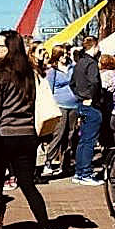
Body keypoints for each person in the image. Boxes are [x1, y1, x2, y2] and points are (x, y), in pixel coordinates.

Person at [0, 30, 57, 229]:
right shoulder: (30, 74)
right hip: (27, 136)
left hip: (4, 136)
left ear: (9, 49)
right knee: (27, 184)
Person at [70, 36, 104, 186]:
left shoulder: (79, 63)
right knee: (89, 140)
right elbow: (95, 82)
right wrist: (90, 96)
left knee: (83, 140)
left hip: (81, 104)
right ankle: (85, 173)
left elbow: (72, 83)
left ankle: (79, 172)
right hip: (91, 105)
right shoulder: (91, 63)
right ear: (94, 46)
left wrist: (79, 96)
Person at [43, 45, 78, 177]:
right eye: (62, 54)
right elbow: (49, 90)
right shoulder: (53, 72)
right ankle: (48, 161)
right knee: (59, 134)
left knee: (70, 135)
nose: (65, 57)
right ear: (57, 56)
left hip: (74, 105)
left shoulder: (72, 67)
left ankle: (66, 164)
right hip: (60, 105)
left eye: (66, 54)